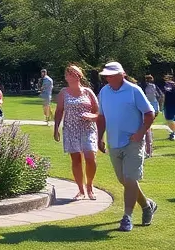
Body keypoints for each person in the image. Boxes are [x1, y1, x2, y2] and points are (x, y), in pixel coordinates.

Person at [97, 61, 157, 232]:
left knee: (130, 179)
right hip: (113, 142)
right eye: (106, 75)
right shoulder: (104, 92)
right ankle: (147, 206)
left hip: (133, 142)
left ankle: (127, 217)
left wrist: (141, 132)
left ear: (121, 74)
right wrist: (100, 137)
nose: (108, 77)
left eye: (111, 75)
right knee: (124, 180)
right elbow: (101, 117)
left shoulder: (133, 90)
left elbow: (149, 113)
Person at [53, 64, 101, 200]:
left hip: (88, 129)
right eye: (67, 74)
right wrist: (56, 128)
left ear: (78, 75)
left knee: (90, 158)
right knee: (76, 160)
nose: (68, 76)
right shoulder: (64, 92)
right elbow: (59, 111)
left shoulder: (87, 92)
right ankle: (81, 190)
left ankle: (90, 186)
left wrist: (93, 116)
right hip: (71, 129)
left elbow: (98, 111)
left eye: (71, 73)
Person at [141, 75, 161, 157]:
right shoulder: (154, 87)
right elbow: (160, 96)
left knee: (147, 128)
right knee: (148, 127)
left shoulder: (145, 87)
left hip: (149, 108)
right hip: (153, 107)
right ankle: (149, 149)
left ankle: (148, 149)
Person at [161, 74, 175, 141]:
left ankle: (174, 134)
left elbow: (167, 91)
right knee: (174, 121)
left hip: (172, 105)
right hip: (173, 105)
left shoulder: (171, 85)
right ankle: (174, 134)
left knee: (172, 120)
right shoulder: (174, 85)